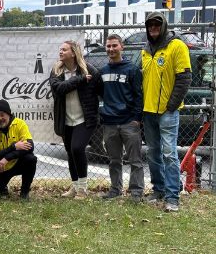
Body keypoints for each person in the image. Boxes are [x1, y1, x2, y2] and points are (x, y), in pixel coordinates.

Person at [142, 12, 192, 212]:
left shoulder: (177, 46)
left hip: (167, 112)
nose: (153, 27)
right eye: (150, 25)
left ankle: (172, 196)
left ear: (163, 26)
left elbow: (184, 78)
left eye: (157, 24)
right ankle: (159, 189)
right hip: (148, 111)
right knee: (152, 153)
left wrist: (171, 105)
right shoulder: (145, 50)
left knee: (169, 153)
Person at [49, 40, 102, 198]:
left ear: (73, 53)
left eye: (64, 50)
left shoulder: (89, 70)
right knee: (70, 153)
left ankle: (82, 189)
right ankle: (75, 187)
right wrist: (80, 80)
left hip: (85, 119)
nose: (61, 52)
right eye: (60, 49)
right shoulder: (57, 71)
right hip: (66, 119)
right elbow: (59, 89)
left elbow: (100, 90)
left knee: (77, 148)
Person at [99, 34, 144, 202]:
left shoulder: (132, 69)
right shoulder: (103, 71)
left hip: (129, 122)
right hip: (110, 123)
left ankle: (136, 192)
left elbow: (139, 96)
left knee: (135, 160)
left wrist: (136, 118)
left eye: (114, 45)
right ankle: (115, 189)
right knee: (114, 160)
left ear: (121, 47)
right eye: (108, 46)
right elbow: (100, 94)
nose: (111, 49)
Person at [0, 99, 37, 200]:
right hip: (0, 168)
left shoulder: (20, 124)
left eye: (2, 115)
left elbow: (30, 146)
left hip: (17, 163)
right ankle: (3, 187)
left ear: (9, 114)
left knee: (31, 159)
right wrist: (13, 147)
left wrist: (7, 158)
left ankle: (24, 192)